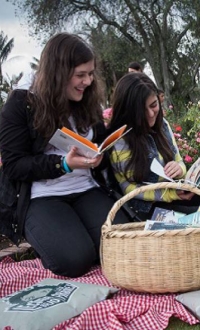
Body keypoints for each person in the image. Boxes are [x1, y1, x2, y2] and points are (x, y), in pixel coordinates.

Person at [0, 33, 130, 278]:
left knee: (123, 246)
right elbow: (14, 165)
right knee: (74, 260)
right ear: (57, 73)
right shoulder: (22, 103)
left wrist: (99, 153)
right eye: (80, 75)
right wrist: (62, 165)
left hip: (86, 189)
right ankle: (59, 239)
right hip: (42, 196)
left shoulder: (87, 101)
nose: (88, 81)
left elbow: (99, 140)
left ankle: (77, 238)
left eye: (90, 74)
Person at [107, 73, 200, 219]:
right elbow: (127, 189)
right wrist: (169, 194)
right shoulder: (119, 140)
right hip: (144, 207)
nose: (151, 114)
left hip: (173, 195)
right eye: (141, 111)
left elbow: (179, 160)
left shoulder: (162, 125)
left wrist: (179, 169)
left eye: (154, 105)